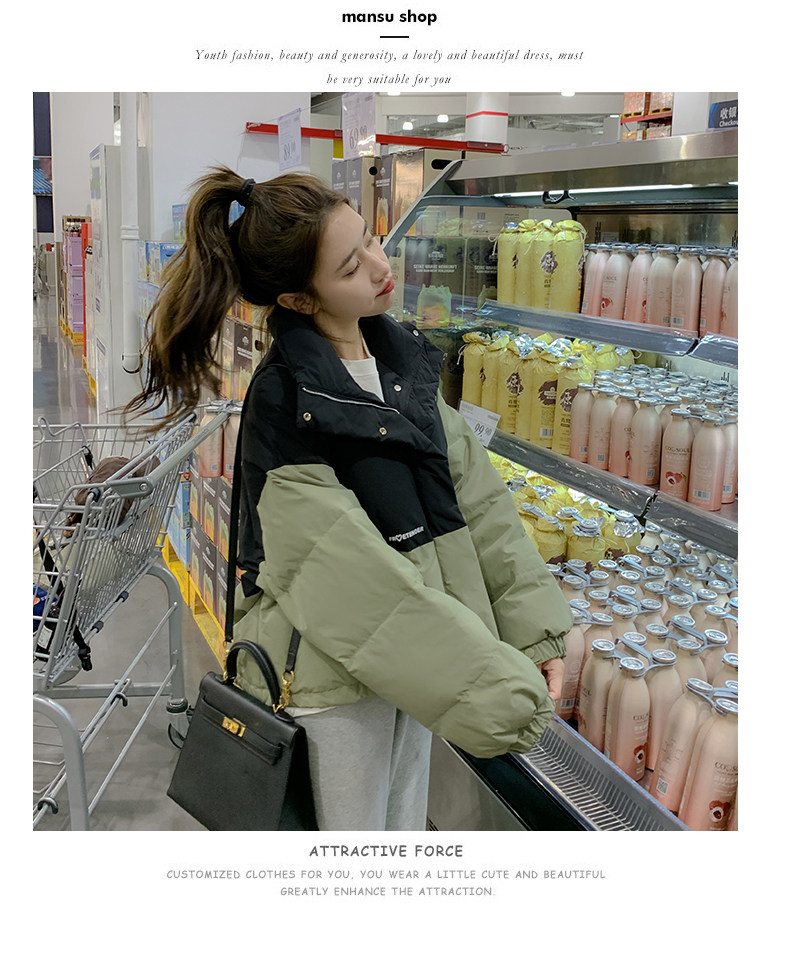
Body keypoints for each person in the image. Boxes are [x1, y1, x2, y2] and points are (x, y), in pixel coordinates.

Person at [125, 165, 572, 831]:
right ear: (300, 300)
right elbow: (347, 581)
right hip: (331, 681)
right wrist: (490, 689)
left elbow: (476, 502)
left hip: (419, 657)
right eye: (349, 266)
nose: (378, 265)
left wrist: (533, 627)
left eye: (368, 238)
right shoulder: (285, 400)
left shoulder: (399, 360)